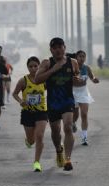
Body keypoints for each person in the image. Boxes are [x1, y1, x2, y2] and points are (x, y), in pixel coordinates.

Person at [34, 37, 81, 171]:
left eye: (60, 47)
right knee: (56, 131)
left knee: (67, 127)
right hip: (53, 102)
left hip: (67, 100)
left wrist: (77, 79)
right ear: (51, 50)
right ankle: (59, 150)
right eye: (55, 48)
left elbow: (78, 80)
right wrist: (54, 69)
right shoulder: (46, 63)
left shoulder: (73, 62)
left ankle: (68, 159)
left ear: (64, 48)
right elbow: (37, 80)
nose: (58, 50)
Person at [12, 56, 48, 172]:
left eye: (35, 66)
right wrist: (21, 101)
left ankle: (37, 162)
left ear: (39, 67)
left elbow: (52, 89)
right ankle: (28, 141)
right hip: (27, 113)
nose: (33, 69)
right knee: (32, 140)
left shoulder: (43, 80)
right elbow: (15, 94)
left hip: (41, 111)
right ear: (27, 67)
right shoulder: (23, 80)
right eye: (30, 66)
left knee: (39, 136)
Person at [72, 50, 99, 146]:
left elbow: (92, 77)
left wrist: (95, 80)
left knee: (84, 114)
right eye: (80, 56)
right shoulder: (71, 67)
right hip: (73, 92)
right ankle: (73, 123)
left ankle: (84, 138)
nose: (82, 58)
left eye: (83, 56)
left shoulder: (87, 68)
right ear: (76, 57)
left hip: (83, 92)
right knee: (75, 115)